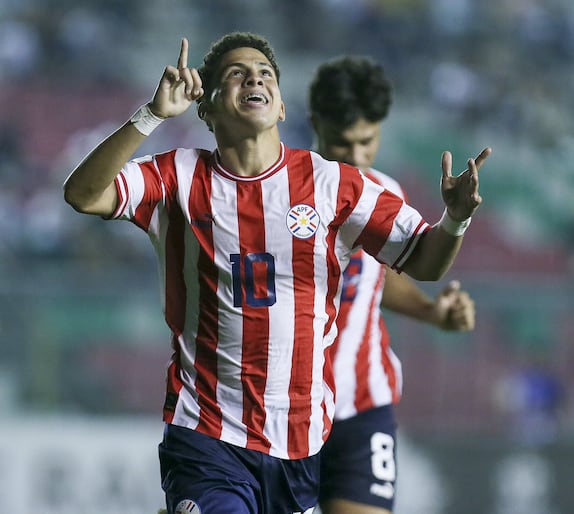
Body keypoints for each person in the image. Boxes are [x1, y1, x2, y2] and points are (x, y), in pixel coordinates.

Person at [62, 32, 491, 514]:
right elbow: (83, 194)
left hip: (300, 444)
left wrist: (455, 218)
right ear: (207, 109)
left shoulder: (335, 185)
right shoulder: (176, 176)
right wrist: (151, 115)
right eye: (236, 74)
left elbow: (426, 261)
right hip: (208, 433)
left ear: (282, 107)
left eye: (265, 73)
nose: (254, 78)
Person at [308, 56, 476, 514]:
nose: (358, 157)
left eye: (368, 141)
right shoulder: (283, 191)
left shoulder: (383, 192)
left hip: (362, 405)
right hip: (284, 409)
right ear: (314, 124)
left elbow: (374, 279)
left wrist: (430, 311)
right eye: (343, 144)